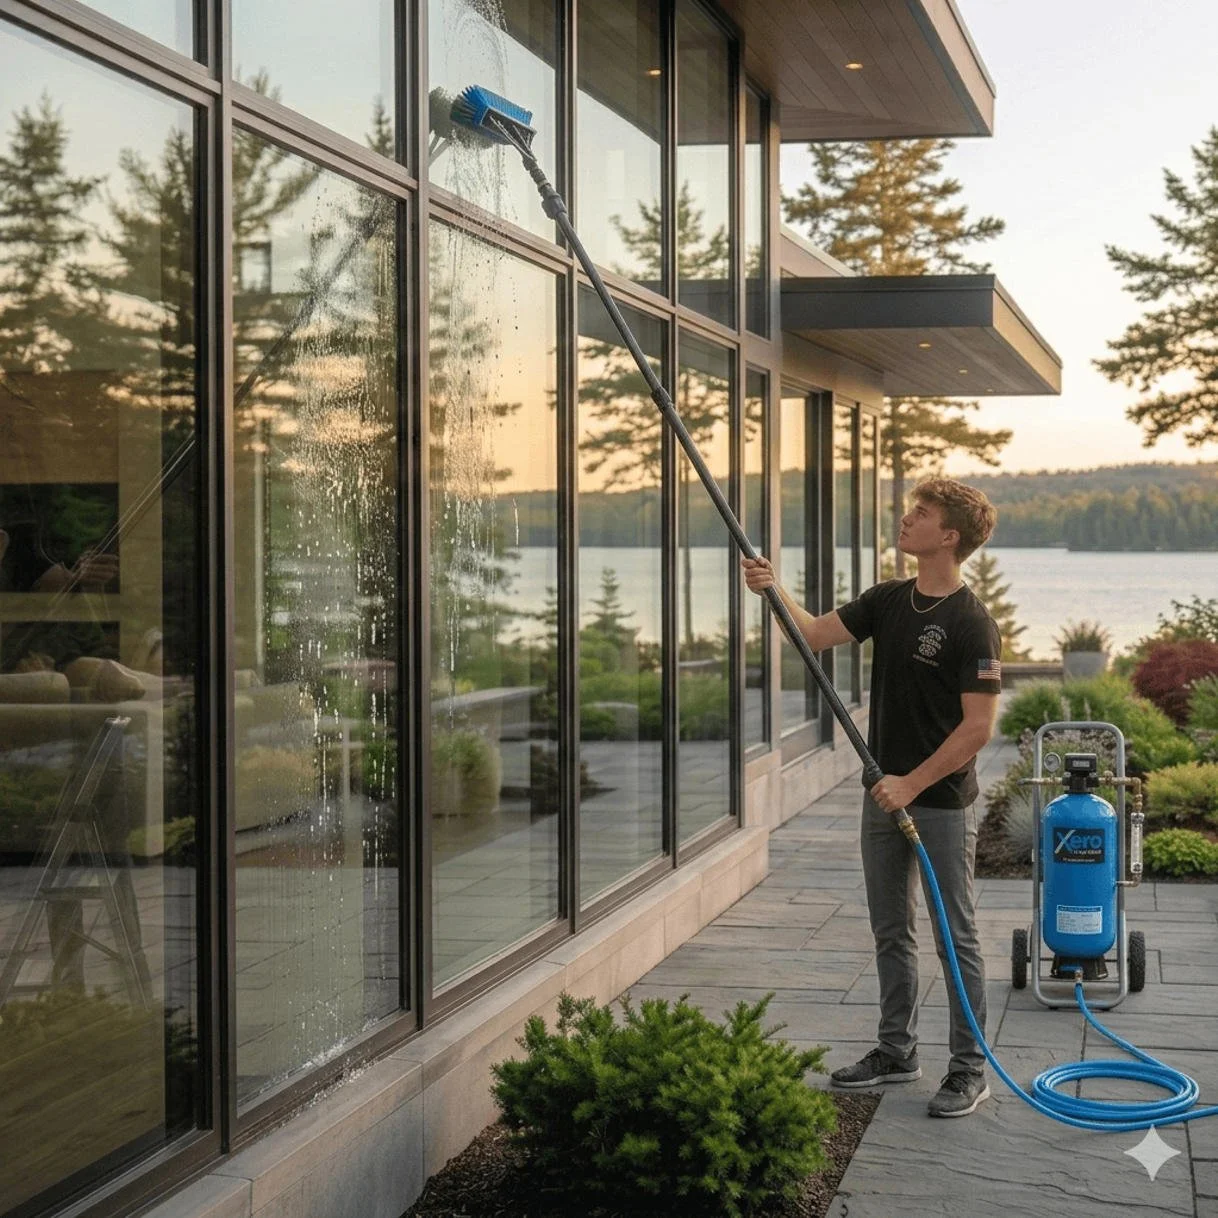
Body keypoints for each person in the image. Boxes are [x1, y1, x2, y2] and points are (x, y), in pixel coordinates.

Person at [742, 476, 1001, 1119]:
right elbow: (813, 637)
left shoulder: (972, 623)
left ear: (949, 537)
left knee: (954, 934)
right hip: (883, 797)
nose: (906, 518)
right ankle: (896, 1051)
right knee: (891, 929)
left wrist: (911, 782)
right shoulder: (887, 599)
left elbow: (978, 728)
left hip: (937, 802)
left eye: (922, 513)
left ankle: (969, 1069)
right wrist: (773, 590)